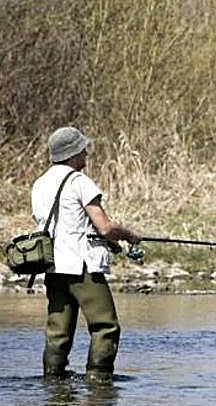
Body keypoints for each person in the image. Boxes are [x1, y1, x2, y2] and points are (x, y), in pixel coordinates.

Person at [31, 126, 142, 378]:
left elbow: (66, 223)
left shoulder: (40, 183)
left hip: (52, 266)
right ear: (71, 155)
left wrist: (112, 244)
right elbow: (104, 226)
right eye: (83, 150)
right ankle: (99, 380)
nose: (86, 154)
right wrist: (130, 236)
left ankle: (53, 380)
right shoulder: (79, 181)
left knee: (58, 331)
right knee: (106, 326)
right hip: (82, 267)